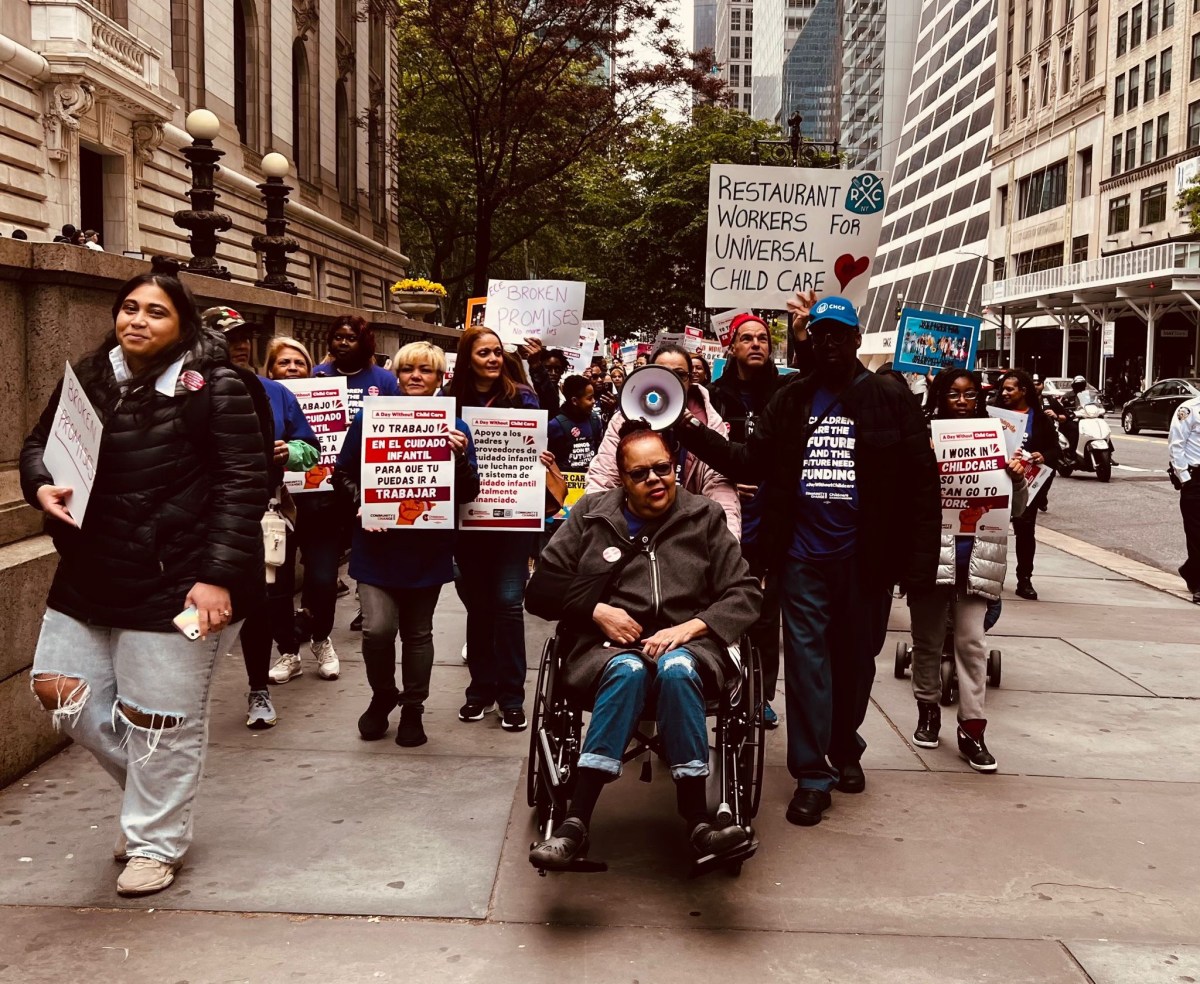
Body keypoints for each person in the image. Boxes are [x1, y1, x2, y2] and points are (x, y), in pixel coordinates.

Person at [20, 257, 269, 896]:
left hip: (178, 582)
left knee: (161, 722)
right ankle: (155, 800)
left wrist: (216, 577)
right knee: (61, 694)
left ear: (182, 325)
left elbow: (243, 486)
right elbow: (37, 445)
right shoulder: (86, 375)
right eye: (130, 307)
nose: (138, 319)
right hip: (88, 573)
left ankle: (155, 842)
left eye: (156, 311)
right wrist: (40, 486)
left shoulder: (217, 387)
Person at [677, 294, 940, 827]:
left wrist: (918, 567)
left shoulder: (890, 398)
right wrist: (687, 430)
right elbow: (750, 459)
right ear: (809, 340)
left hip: (866, 563)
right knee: (805, 666)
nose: (829, 343)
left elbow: (921, 487)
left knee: (856, 663)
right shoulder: (792, 399)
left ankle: (844, 744)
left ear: (857, 340)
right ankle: (811, 772)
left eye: (839, 335)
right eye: (819, 334)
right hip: (801, 559)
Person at [524, 421, 761, 869]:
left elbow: (746, 594)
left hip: (690, 649)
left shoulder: (705, 516)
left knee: (676, 669)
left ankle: (698, 823)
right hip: (606, 652)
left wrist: (690, 628)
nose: (655, 479)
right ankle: (575, 825)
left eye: (663, 468)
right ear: (622, 479)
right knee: (628, 670)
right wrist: (597, 611)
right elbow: (540, 591)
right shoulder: (592, 515)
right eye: (641, 474)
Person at [335, 342, 480, 746]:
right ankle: (383, 695)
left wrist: (461, 458)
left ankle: (413, 708)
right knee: (378, 630)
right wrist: (361, 502)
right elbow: (341, 473)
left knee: (418, 634)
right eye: (407, 370)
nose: (415, 376)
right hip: (376, 544)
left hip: (426, 547)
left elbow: (470, 492)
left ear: (440, 378)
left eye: (426, 371)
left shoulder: (457, 427)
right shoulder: (369, 420)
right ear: (396, 375)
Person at [205, 310, 320, 728]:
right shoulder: (186, 391)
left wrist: (292, 451)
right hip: (200, 517)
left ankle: (259, 690)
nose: (239, 345)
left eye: (245, 337)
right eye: (227, 337)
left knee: (259, 606)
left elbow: (312, 449)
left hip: (261, 515)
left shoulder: (274, 391)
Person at [908, 370, 1028, 771]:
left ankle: (972, 728)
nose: (962, 401)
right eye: (954, 394)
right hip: (929, 553)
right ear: (939, 397)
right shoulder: (921, 437)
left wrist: (1018, 479)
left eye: (970, 394)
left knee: (972, 644)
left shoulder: (1000, 438)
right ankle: (927, 710)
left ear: (979, 398)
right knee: (926, 641)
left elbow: (1018, 509)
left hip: (979, 553)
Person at [271, 316, 399, 683]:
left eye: (298, 363)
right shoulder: (290, 388)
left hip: (325, 502)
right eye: (284, 363)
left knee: (325, 579)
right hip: (275, 505)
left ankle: (320, 638)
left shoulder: (375, 382)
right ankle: (287, 652)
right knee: (277, 585)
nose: (292, 369)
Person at [444, 325, 541, 731]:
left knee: (507, 606)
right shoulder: (447, 402)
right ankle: (480, 691)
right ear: (468, 357)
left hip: (512, 521)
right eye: (484, 352)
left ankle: (512, 697)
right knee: (479, 608)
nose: (493, 359)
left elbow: (538, 444)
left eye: (498, 352)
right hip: (466, 521)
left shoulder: (523, 396)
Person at [705, 313, 786, 729]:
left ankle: (760, 694)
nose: (756, 344)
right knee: (724, 604)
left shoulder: (787, 392)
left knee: (765, 612)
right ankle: (721, 684)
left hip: (772, 516)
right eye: (746, 338)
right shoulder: (715, 395)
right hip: (728, 515)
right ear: (731, 347)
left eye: (762, 338)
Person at [585, 343, 741, 539]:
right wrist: (597, 534)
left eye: (680, 375)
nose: (672, 381)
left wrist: (726, 541)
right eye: (663, 373)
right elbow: (603, 478)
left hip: (689, 531)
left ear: (690, 380)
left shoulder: (708, 422)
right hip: (634, 530)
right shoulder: (624, 420)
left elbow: (718, 484)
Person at [993, 369, 1059, 600]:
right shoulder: (993, 415)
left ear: (1023, 390)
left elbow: (1055, 450)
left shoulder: (1040, 419)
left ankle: (1025, 579)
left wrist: (1043, 456)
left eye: (1010, 389)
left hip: (1026, 484)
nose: (1005, 393)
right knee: (992, 530)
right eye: (1003, 389)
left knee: (1025, 530)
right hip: (996, 480)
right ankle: (991, 576)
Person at [1168, 389, 1200, 604]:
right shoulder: (1189, 409)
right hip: (1196, 478)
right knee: (1196, 531)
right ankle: (1198, 583)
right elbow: (1176, 444)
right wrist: (1185, 477)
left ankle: (1190, 569)